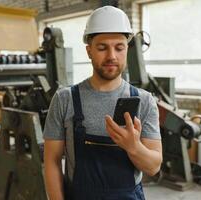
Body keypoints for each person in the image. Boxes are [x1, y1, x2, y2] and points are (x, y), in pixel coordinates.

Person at [43, 5, 162, 200]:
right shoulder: (65, 99)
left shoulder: (144, 101)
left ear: (127, 49)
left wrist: (134, 147)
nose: (111, 56)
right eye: (102, 47)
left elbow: (153, 167)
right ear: (89, 51)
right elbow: (52, 161)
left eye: (119, 47)